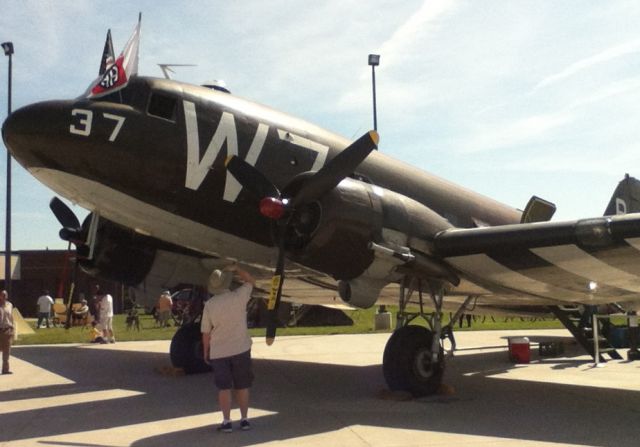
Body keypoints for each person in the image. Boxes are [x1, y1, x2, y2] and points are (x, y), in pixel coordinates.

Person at [201, 264, 256, 433]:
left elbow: (205, 333)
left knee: (224, 388)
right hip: (240, 348)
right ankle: (245, 419)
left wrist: (205, 352)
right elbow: (251, 281)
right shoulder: (239, 296)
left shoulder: (209, 305)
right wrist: (237, 268)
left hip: (219, 352)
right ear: (227, 283)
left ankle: (226, 421)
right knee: (242, 386)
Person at [0, 290, 16, 374]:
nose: (4, 297)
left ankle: (5, 369)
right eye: (2, 295)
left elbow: (11, 317)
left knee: (6, 351)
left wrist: (12, 327)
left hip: (8, 330)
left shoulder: (10, 305)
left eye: (5, 295)